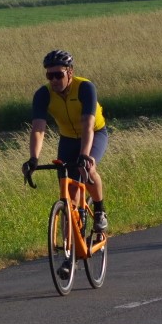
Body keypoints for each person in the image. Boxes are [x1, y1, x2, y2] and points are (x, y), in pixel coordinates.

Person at [23, 50, 110, 277]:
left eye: (58, 75)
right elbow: (38, 128)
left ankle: (99, 210)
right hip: (68, 139)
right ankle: (69, 255)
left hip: (95, 134)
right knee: (69, 198)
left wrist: (85, 155)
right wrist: (33, 158)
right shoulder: (43, 94)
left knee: (88, 167)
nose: (54, 80)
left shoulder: (85, 88)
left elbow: (88, 124)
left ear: (70, 72)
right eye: (49, 75)